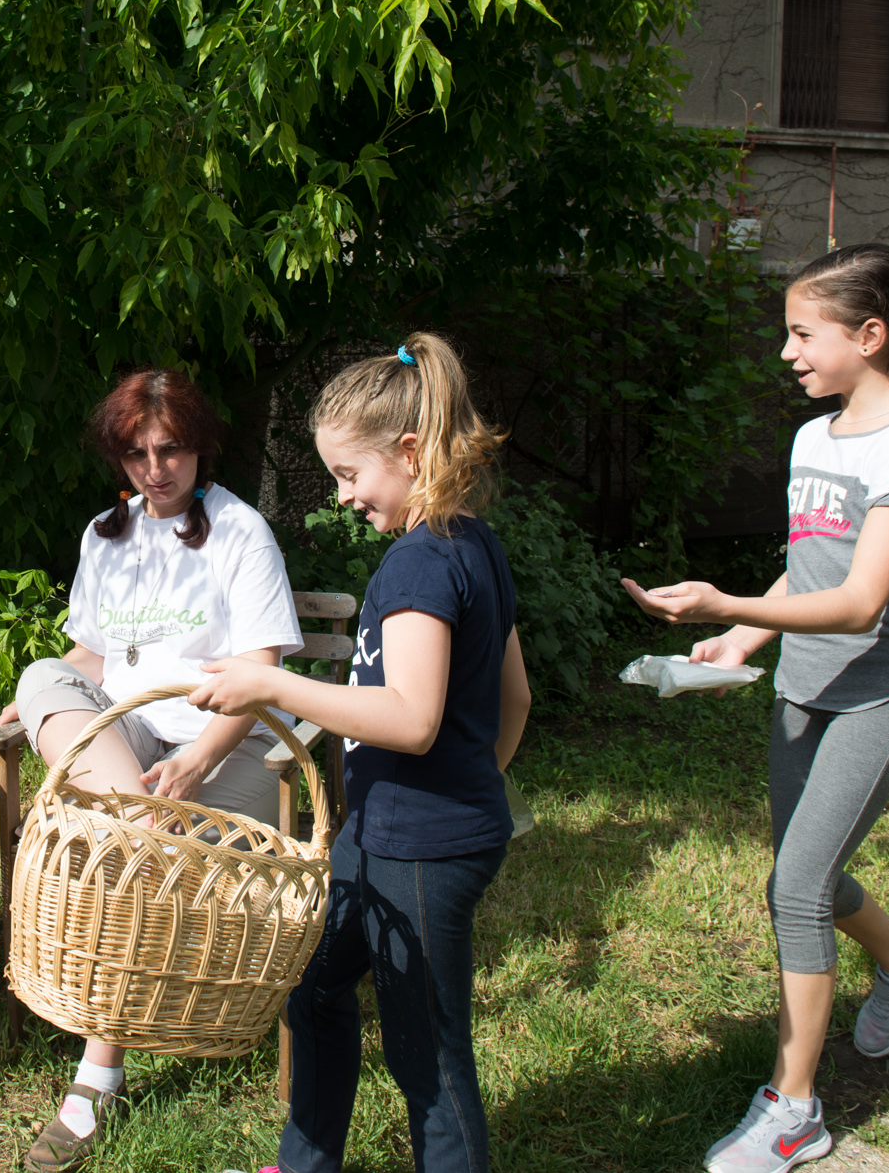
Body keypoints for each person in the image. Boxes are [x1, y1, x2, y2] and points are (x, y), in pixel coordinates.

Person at [622, 244, 889, 1173]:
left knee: (796, 888)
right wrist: (745, 641)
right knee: (805, 877)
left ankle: (793, 1110)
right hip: (801, 690)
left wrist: (729, 605)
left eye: (802, 332)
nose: (787, 351)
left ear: (872, 335)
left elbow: (863, 599)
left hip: (877, 693)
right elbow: (814, 564)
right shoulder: (813, 438)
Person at [188, 332, 532, 1173]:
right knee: (313, 987)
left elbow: (410, 717)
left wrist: (270, 686)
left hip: (422, 846)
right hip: (383, 834)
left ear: (409, 452)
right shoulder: (471, 541)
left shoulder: (421, 562)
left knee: (430, 1059)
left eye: (349, 474)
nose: (343, 496)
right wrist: (475, 785)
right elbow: (515, 697)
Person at [1, 368, 304, 1173]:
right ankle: (139, 820)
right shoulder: (108, 534)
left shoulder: (241, 534)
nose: (154, 469)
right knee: (37, 676)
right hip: (127, 744)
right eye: (135, 453)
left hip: (230, 747)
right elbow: (91, 656)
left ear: (202, 448)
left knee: (122, 860)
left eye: (170, 450)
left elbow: (263, 670)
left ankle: (95, 1077)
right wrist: (40, 700)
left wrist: (199, 758)